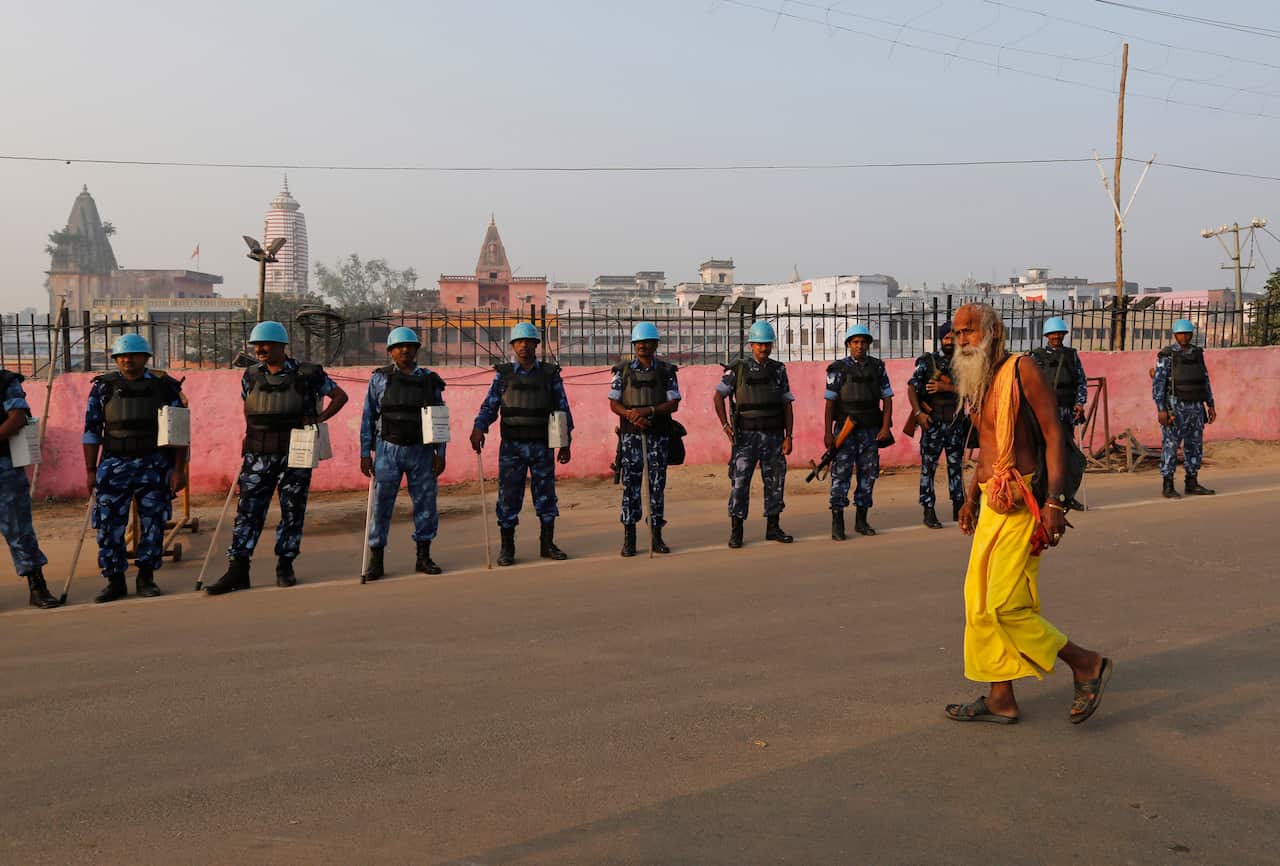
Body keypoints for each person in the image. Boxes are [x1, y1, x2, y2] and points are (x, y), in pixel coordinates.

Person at [945, 303, 1111, 725]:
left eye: (969, 331)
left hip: (1024, 502)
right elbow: (987, 447)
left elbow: (1054, 433)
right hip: (990, 500)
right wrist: (970, 497)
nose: (961, 339)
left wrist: (1056, 502)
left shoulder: (1023, 370)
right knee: (978, 604)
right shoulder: (979, 379)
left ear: (994, 332)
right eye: (957, 333)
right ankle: (1000, 696)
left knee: (1002, 605)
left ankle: (1085, 663)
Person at [205, 321, 348, 595]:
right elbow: (249, 406)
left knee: (292, 511)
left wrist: (318, 420)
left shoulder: (308, 374)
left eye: (266, 344)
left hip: (296, 450)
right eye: (256, 345)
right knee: (248, 511)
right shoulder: (250, 375)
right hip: (259, 453)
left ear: (282, 346)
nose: (259, 349)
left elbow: (339, 396)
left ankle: (285, 564)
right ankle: (238, 569)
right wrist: (249, 436)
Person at [82, 334, 187, 603]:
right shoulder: (103, 388)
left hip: (153, 464)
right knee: (108, 525)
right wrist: (90, 470)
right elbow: (92, 432)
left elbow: (178, 432)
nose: (127, 360)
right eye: (121, 356)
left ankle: (146, 578)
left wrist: (178, 470)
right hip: (114, 465)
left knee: (153, 523)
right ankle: (115, 581)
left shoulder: (165, 388)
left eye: (133, 355)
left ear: (146, 358)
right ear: (116, 359)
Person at [470, 322, 573, 567]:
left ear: (537, 345)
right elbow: (490, 406)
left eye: (529, 341)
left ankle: (547, 544)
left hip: (542, 445)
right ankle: (507, 548)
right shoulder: (503, 375)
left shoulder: (549, 375)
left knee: (546, 496)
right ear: (513, 346)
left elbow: (562, 409)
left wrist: (565, 442)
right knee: (508, 497)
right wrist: (479, 428)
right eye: (519, 342)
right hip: (512, 447)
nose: (524, 346)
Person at [360, 327, 447, 581]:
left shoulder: (430, 380)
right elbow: (368, 417)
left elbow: (439, 416)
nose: (405, 350)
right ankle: (376, 560)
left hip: (421, 450)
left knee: (426, 504)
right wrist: (366, 453)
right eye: (399, 347)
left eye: (410, 346)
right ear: (390, 351)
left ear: (417, 350)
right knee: (381, 505)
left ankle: (424, 556)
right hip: (388, 449)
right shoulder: (379, 380)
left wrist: (440, 452)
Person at [713, 320, 794, 548]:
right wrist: (725, 426)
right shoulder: (738, 369)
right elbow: (718, 396)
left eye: (767, 344)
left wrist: (789, 436)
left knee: (775, 482)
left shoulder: (779, 370)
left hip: (774, 436)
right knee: (740, 484)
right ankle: (736, 531)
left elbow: (787, 404)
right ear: (751, 345)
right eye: (759, 344)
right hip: (745, 437)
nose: (764, 349)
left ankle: (773, 527)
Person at [609, 322, 680, 557]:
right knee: (631, 486)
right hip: (631, 436)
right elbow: (614, 403)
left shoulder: (666, 371)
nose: (643, 346)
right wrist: (630, 414)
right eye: (639, 342)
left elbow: (673, 403)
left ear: (655, 345)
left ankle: (656, 536)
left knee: (656, 486)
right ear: (634, 345)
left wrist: (648, 411)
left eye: (647, 342)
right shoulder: (623, 371)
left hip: (657, 435)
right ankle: (629, 539)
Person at [824, 324, 893, 539]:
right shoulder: (838, 369)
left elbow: (887, 398)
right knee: (841, 475)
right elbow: (829, 403)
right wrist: (828, 433)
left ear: (869, 344)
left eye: (863, 342)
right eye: (855, 342)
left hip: (870, 429)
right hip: (845, 429)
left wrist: (884, 427)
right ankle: (838, 523)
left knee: (868, 474)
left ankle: (861, 521)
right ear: (848, 345)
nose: (860, 346)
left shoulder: (877, 367)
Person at [0, 368, 60, 608]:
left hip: (4, 467)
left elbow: (18, 416)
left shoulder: (5, 381)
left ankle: (37, 587)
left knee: (18, 528)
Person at [907, 321, 966, 529]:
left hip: (955, 423)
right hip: (932, 424)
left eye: (953, 337)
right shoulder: (928, 362)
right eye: (946, 338)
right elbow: (912, 388)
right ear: (941, 339)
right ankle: (928, 510)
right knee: (928, 469)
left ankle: (960, 507)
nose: (950, 342)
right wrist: (918, 414)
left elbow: (972, 390)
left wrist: (945, 386)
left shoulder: (965, 363)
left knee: (956, 468)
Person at [1153, 318, 1216, 498]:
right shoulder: (1167, 355)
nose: (1185, 337)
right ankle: (1168, 484)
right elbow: (1158, 384)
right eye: (1181, 334)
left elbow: (1204, 379)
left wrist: (1210, 404)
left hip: (1196, 407)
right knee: (1171, 445)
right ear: (1175, 335)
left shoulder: (1197, 353)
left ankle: (1192, 481)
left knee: (1194, 445)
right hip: (1175, 406)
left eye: (1187, 334)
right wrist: (1161, 409)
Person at [1029, 316, 1087, 510]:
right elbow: (1030, 384)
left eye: (1060, 333)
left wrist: (1079, 403)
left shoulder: (1071, 356)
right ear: (1047, 335)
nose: (1056, 337)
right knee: (1043, 453)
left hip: (1066, 411)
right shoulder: (1036, 357)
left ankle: (1067, 494)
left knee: (1067, 454)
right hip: (1044, 413)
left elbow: (1081, 382)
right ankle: (1042, 494)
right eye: (1053, 333)